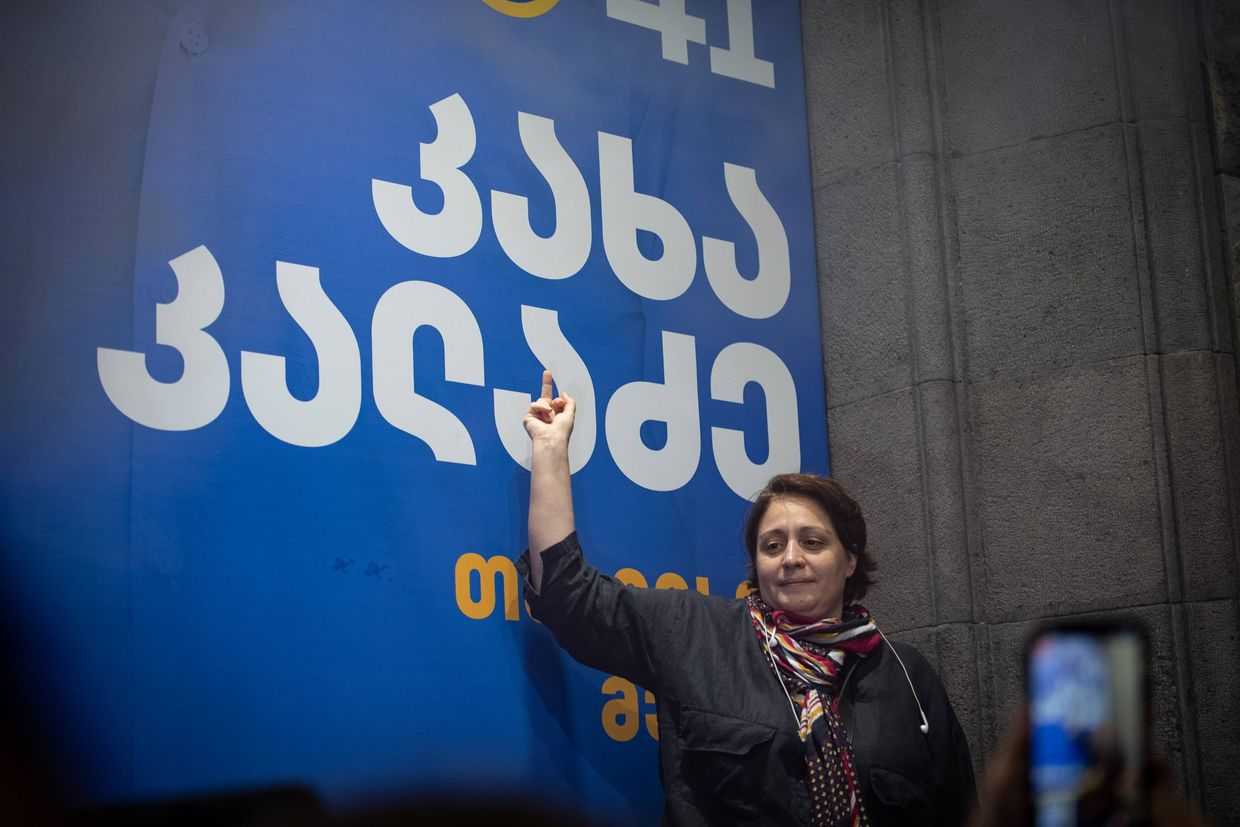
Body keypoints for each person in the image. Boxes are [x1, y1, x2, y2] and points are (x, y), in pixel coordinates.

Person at [519, 371, 976, 826]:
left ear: (850, 560)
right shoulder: (696, 637)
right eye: (772, 546)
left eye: (813, 543)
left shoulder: (908, 678)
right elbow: (567, 594)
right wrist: (550, 450)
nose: (791, 559)